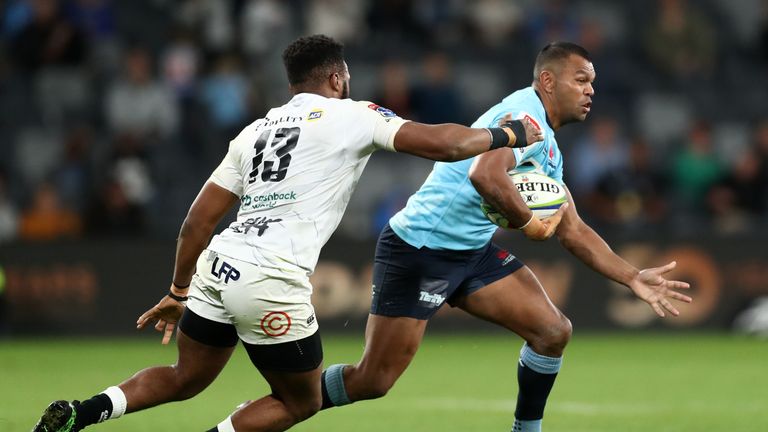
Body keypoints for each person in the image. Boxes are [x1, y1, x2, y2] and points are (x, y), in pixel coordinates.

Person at [32, 34, 543, 432]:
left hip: (221, 262)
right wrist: (508, 133)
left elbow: (197, 221)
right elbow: (445, 144)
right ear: (338, 76)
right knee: (301, 399)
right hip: (272, 277)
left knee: (184, 378)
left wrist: (177, 290)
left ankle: (85, 411)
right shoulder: (354, 115)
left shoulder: (256, 131)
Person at [318, 42, 693, 432]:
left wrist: (632, 277)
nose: (590, 90)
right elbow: (486, 174)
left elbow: (573, 229)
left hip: (471, 252)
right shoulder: (523, 119)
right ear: (548, 81)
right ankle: (290, 401)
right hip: (420, 248)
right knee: (372, 381)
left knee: (552, 332)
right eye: (581, 79)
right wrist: (529, 223)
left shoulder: (547, 144)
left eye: (592, 83)